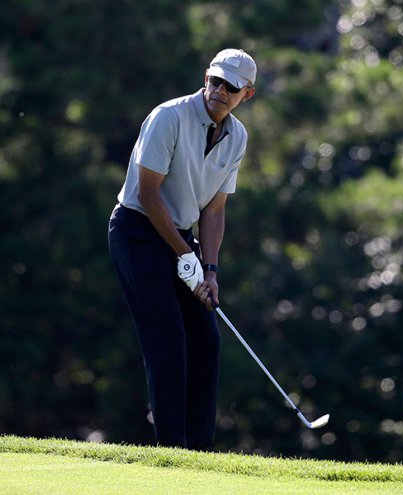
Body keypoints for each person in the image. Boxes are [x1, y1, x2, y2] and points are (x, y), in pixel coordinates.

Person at [108, 48, 256, 450]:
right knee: (167, 340)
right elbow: (148, 194)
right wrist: (185, 255)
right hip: (138, 232)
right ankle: (173, 448)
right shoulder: (168, 117)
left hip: (181, 238)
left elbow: (215, 210)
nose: (220, 91)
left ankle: (199, 451)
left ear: (247, 94)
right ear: (206, 78)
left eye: (231, 87)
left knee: (206, 341)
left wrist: (210, 270)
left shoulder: (237, 137)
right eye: (216, 81)